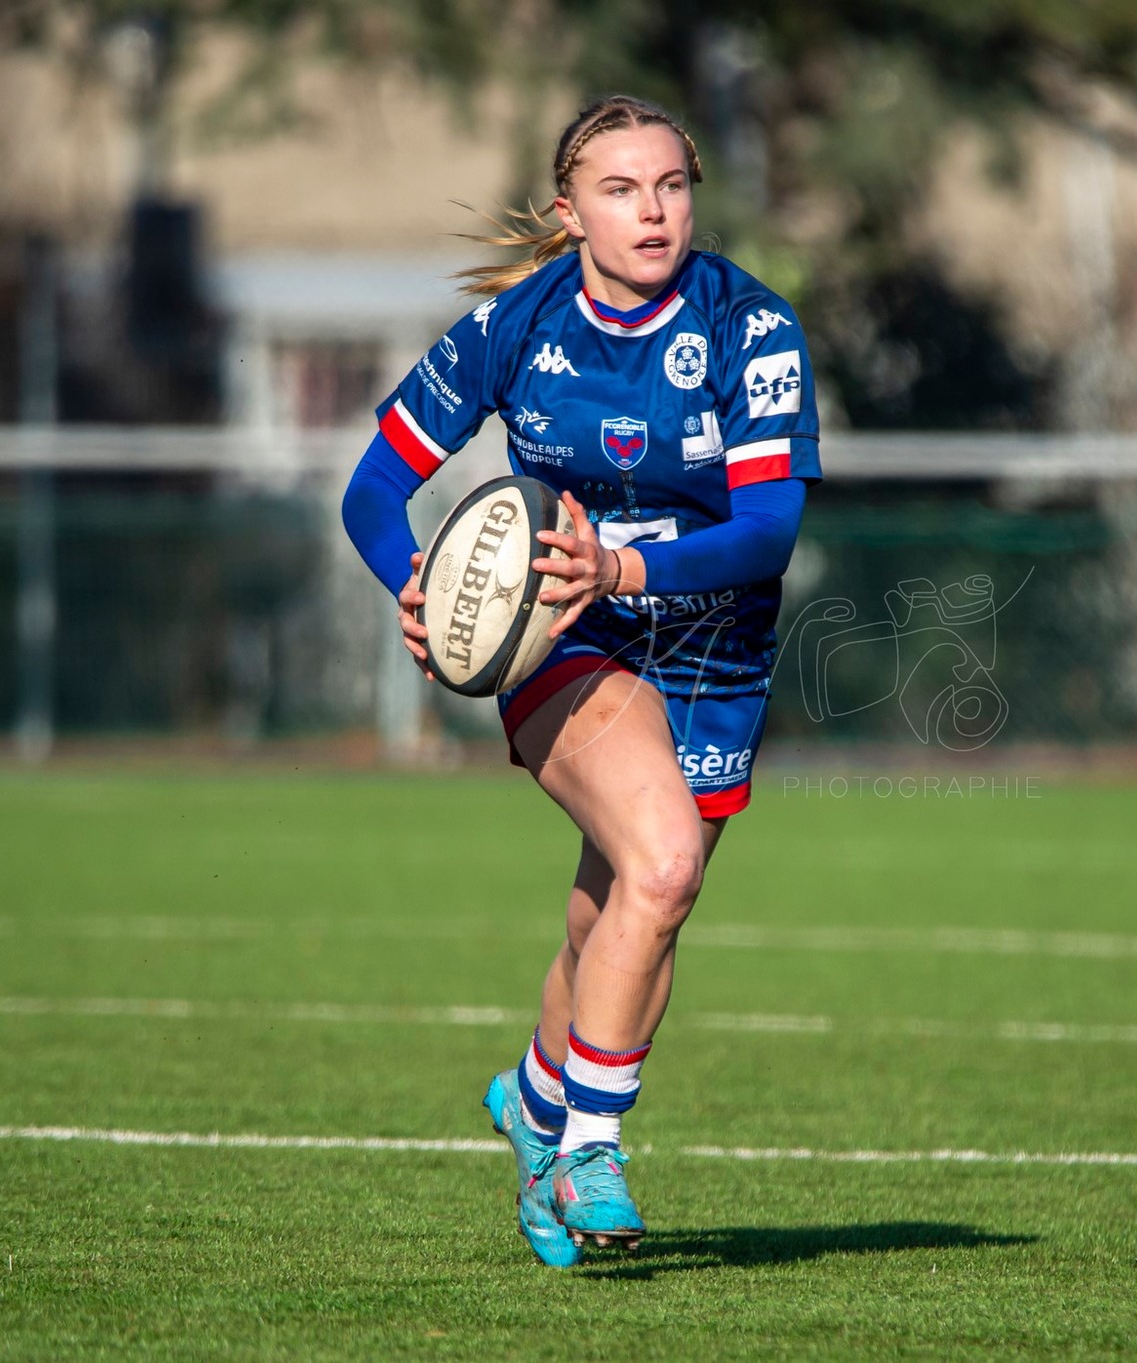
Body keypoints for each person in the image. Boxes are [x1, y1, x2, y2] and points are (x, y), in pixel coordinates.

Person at [340, 94, 821, 1266]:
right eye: (620, 189)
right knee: (659, 863)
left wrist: (625, 560)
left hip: (715, 647)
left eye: (670, 185)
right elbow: (371, 491)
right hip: (565, 637)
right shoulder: (515, 325)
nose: (652, 210)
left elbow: (765, 531)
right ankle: (586, 1146)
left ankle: (533, 1096)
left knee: (620, 910)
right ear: (570, 212)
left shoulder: (750, 327)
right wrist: (423, 586)